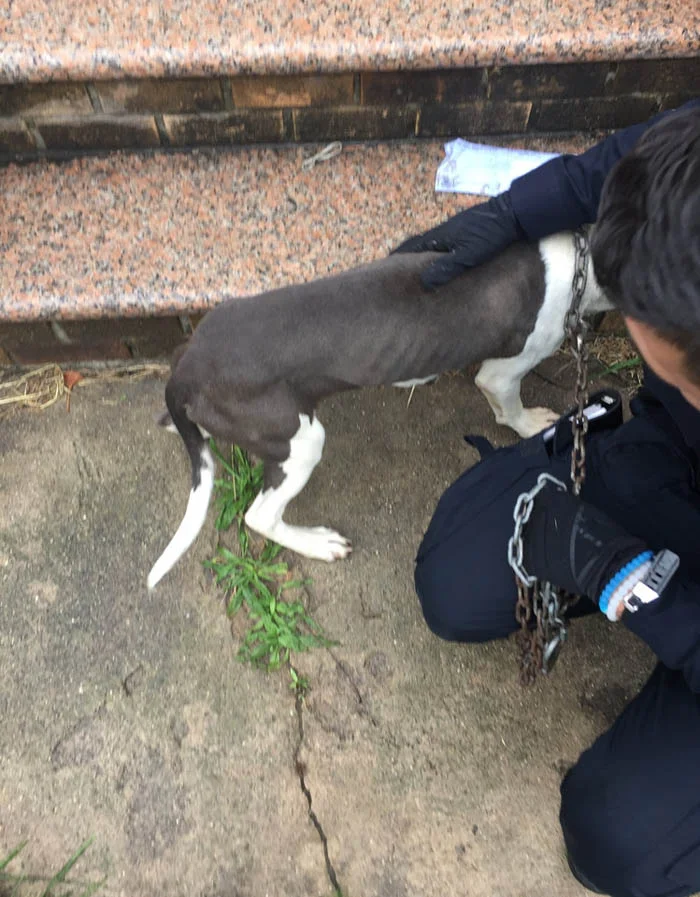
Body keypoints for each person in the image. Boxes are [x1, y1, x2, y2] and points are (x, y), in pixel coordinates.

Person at [396, 100, 700, 897]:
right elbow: (618, 174)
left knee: (618, 843)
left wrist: (630, 581)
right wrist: (503, 218)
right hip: (678, 459)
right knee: (457, 579)